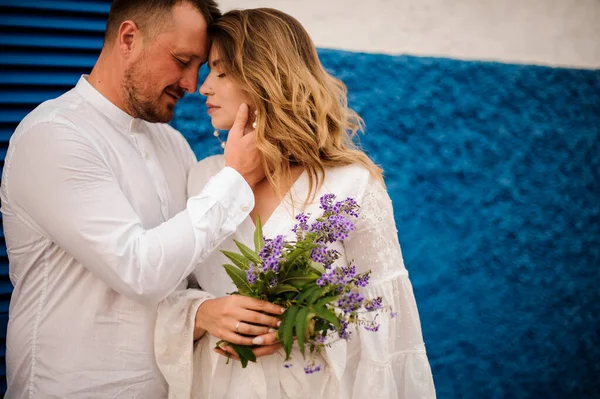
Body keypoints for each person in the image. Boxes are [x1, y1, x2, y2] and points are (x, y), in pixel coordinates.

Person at [0, 1, 283, 398]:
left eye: (200, 66)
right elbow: (140, 270)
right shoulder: (55, 136)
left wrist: (222, 316)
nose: (190, 83)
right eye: (182, 60)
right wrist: (236, 178)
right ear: (129, 38)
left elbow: (186, 267)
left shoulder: (173, 144)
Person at [155, 8, 437, 399]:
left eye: (220, 71)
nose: (202, 88)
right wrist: (202, 313)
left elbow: (387, 317)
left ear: (265, 77)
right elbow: (165, 290)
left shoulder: (352, 186)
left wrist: (305, 325)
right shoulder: (204, 178)